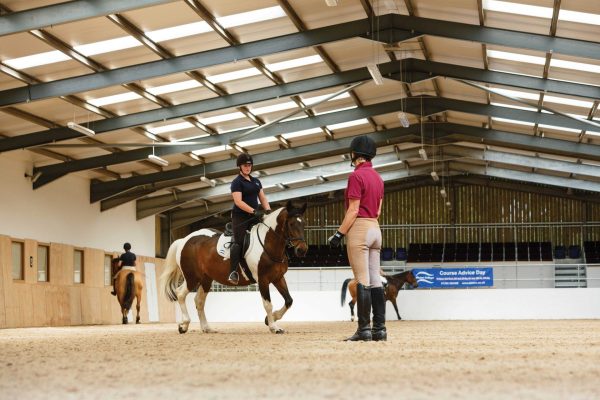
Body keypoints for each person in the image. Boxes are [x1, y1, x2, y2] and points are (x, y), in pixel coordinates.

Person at [329, 136, 385, 341]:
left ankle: (364, 330)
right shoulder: (379, 178)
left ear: (355, 155)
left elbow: (353, 210)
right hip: (375, 229)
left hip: (360, 228)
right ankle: (380, 329)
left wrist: (338, 233)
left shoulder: (356, 176)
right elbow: (378, 211)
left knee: (362, 280)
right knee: (376, 280)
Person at [228, 153, 271, 285]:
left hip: (255, 215)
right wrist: (254, 211)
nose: (248, 168)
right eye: (245, 165)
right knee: (238, 242)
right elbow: (238, 202)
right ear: (240, 167)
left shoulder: (256, 181)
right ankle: (233, 271)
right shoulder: (236, 182)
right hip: (240, 217)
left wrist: (268, 212)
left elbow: (262, 198)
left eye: (249, 165)